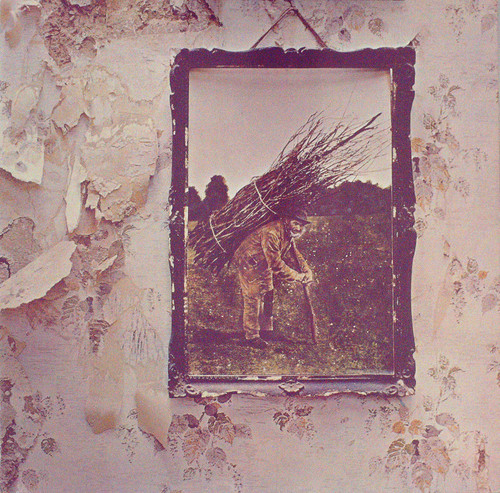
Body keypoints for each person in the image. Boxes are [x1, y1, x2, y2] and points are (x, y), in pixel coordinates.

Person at [233, 207, 314, 349]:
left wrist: (307, 271)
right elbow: (276, 265)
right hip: (249, 261)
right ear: (287, 220)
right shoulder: (271, 233)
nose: (298, 228)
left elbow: (295, 254)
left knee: (268, 293)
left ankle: (266, 330)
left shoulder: (288, 233)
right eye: (296, 223)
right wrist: (298, 277)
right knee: (253, 296)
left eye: (301, 225)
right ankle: (252, 336)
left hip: (264, 262)